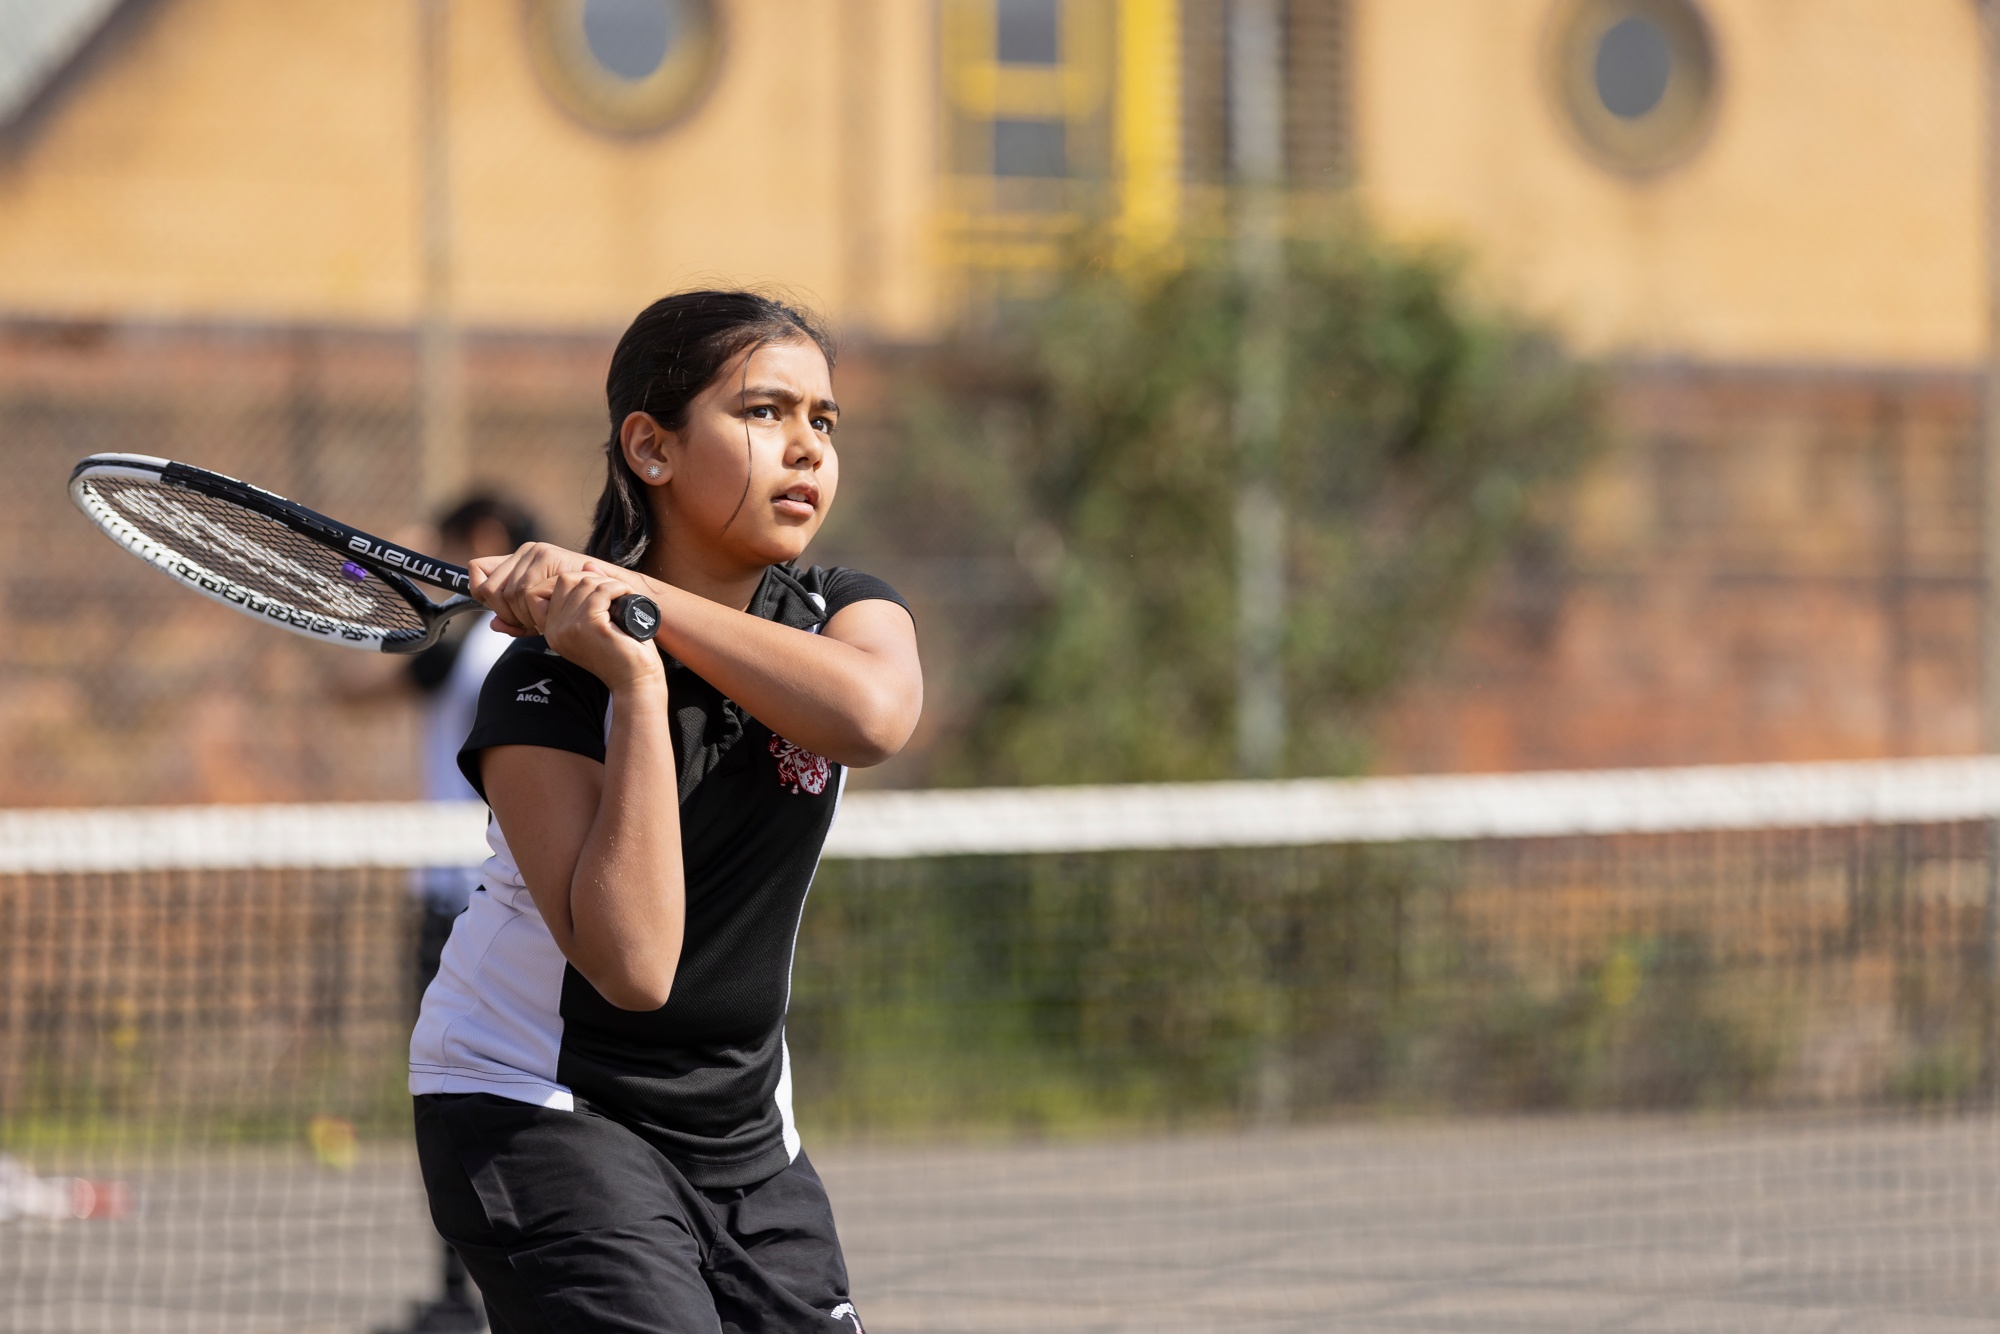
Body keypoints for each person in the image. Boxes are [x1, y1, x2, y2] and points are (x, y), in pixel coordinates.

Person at [407, 290, 922, 1334]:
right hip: (540, 1101)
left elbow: (872, 715)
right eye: (764, 412)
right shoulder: (545, 683)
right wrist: (636, 682)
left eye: (822, 421)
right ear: (650, 445)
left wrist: (627, 599)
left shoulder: (841, 612)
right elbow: (634, 968)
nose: (805, 447)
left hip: (743, 1129)